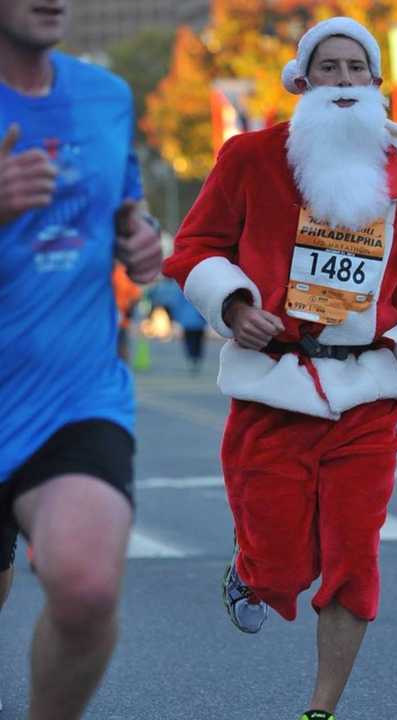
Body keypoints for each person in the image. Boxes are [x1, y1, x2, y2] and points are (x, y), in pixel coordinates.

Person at [162, 16, 397, 720]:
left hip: (366, 392)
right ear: (301, 83)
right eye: (327, 69)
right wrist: (237, 303)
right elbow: (194, 247)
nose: (341, 82)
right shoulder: (251, 157)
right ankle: (252, 573)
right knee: (281, 567)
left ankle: (321, 710)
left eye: (355, 70)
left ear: (376, 86)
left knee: (353, 557)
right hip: (273, 389)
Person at [0, 1, 162, 717]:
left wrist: (141, 235)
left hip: (71, 392)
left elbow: (127, 204)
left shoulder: (106, 95)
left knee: (88, 586)